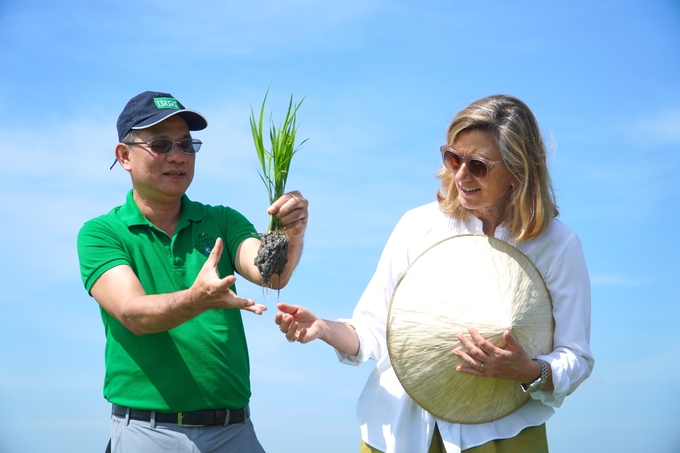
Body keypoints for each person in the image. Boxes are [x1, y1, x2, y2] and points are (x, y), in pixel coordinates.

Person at [274, 95, 593, 453]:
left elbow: (575, 356)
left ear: (518, 169)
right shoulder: (417, 226)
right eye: (453, 158)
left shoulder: (557, 244)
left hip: (504, 436)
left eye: (478, 165)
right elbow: (376, 329)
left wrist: (530, 371)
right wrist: (325, 329)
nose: (460, 175)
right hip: (395, 434)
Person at [77, 91, 308, 453]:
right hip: (148, 432)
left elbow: (269, 274)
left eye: (187, 144)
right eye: (161, 143)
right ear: (124, 156)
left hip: (234, 430)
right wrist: (196, 300)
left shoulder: (221, 220)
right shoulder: (102, 233)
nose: (177, 155)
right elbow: (133, 314)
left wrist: (291, 233)